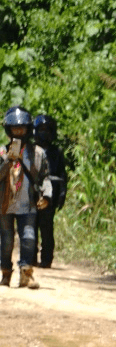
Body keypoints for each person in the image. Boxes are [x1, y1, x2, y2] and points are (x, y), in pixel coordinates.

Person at [2, 106, 53, 289]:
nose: (18, 132)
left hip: (28, 203)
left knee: (29, 237)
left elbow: (44, 177)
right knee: (7, 240)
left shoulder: (38, 153)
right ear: (8, 130)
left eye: (21, 129)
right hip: (5, 204)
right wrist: (8, 160)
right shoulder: (1, 152)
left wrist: (47, 195)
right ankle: (6, 273)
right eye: (15, 129)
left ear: (27, 129)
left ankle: (26, 273)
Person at [32, 113, 67, 269]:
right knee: (30, 227)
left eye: (47, 129)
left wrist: (62, 194)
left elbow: (62, 174)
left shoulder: (56, 152)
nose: (44, 133)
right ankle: (31, 257)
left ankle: (46, 259)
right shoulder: (30, 150)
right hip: (32, 193)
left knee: (47, 228)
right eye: (41, 129)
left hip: (50, 196)